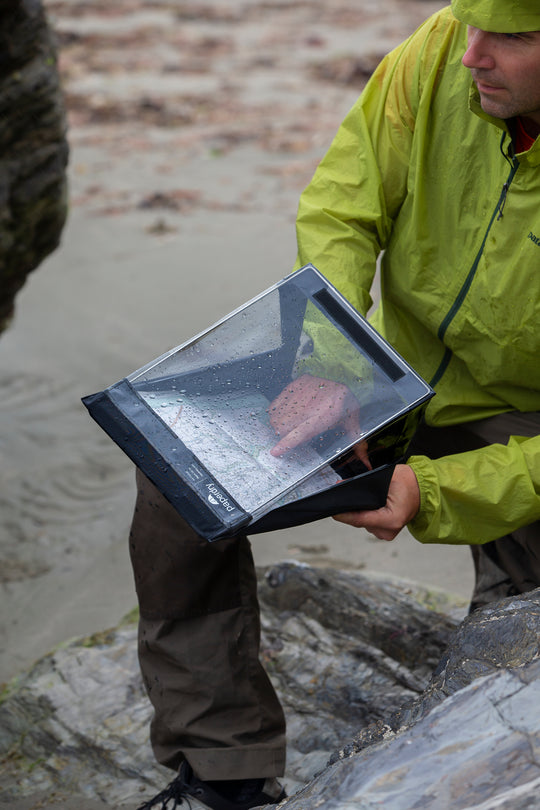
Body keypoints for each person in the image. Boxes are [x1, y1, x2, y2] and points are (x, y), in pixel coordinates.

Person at [133, 1, 540, 807]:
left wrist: (442, 492)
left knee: (511, 656)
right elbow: (342, 207)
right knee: (182, 476)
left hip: (522, 425)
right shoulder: (435, 55)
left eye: (514, 37)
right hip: (387, 375)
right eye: (470, 25)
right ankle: (226, 774)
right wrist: (335, 364)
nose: (472, 56)